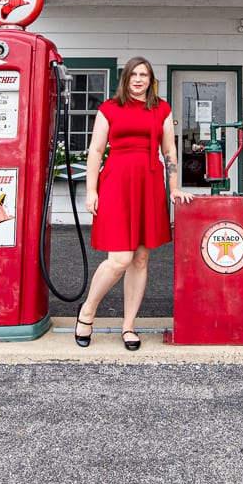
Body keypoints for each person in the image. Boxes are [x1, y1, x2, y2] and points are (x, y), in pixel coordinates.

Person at [75, 57, 191, 350]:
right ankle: (87, 311)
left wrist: (174, 187)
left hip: (149, 184)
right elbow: (96, 150)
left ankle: (129, 326)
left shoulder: (161, 108)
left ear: (150, 80)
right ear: (126, 78)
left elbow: (169, 150)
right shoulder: (109, 109)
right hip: (116, 183)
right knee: (120, 259)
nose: (139, 79)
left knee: (140, 258)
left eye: (145, 75)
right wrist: (91, 190)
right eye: (134, 74)